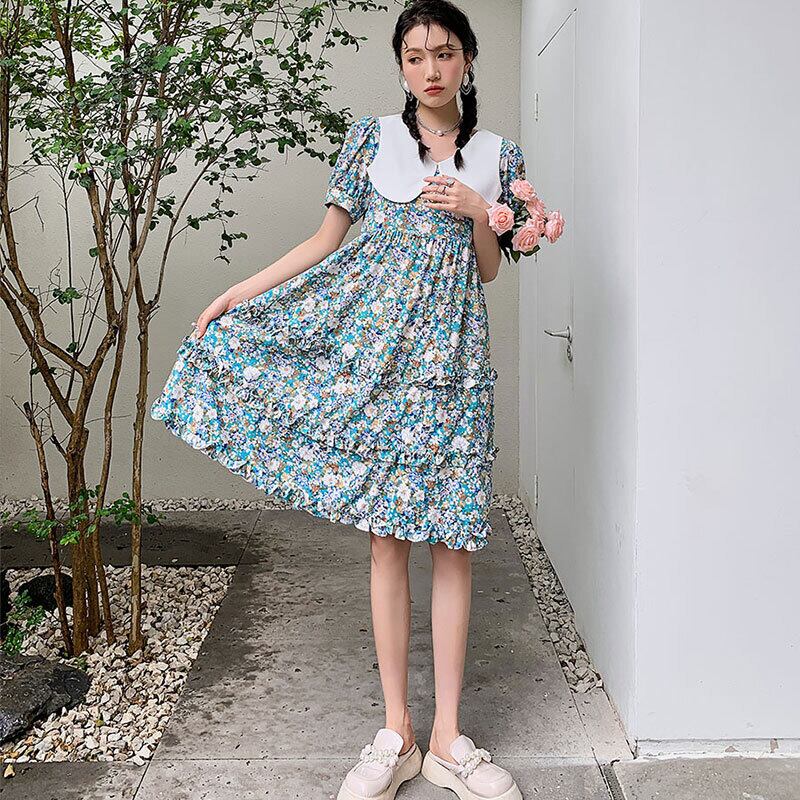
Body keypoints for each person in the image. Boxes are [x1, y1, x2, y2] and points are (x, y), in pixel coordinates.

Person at [149, 1, 527, 797]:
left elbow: (490, 270)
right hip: (374, 365)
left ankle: (449, 740)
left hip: (452, 366)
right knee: (387, 543)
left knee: (453, 545)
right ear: (401, 67)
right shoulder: (371, 139)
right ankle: (397, 733)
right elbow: (326, 241)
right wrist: (239, 293)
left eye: (444, 53)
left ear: (467, 59)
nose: (430, 69)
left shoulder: (499, 155)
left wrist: (475, 212)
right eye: (415, 56)